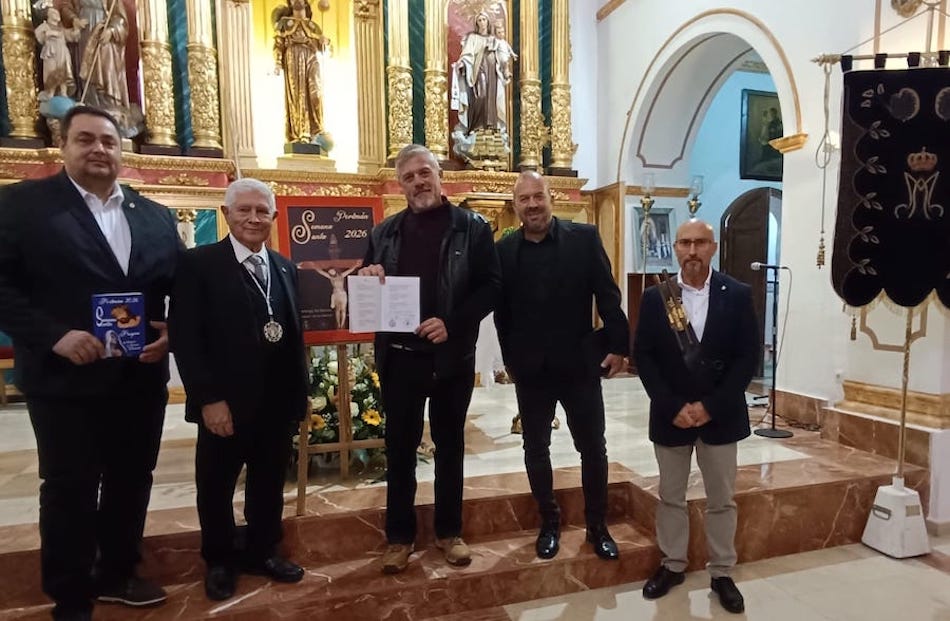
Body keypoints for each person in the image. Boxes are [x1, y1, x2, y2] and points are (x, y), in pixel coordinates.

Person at [0, 105, 181, 621]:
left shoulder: (154, 215)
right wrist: (54, 336)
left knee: (133, 477)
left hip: (138, 375)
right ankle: (71, 593)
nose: (99, 149)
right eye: (85, 139)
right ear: (63, 146)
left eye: (108, 140)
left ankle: (119, 573)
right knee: (69, 486)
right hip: (65, 379)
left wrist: (173, 330)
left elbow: (177, 285)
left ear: (122, 151)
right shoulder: (23, 205)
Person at [359, 144, 500, 574]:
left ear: (439, 176)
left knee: (450, 446)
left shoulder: (472, 228)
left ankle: (449, 532)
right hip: (400, 359)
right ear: (400, 185)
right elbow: (366, 280)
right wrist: (369, 276)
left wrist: (451, 324)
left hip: (449, 358)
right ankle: (399, 538)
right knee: (399, 451)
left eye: (425, 173)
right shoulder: (384, 233)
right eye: (409, 177)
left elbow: (491, 286)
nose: (419, 182)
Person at [169, 178, 310, 601]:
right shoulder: (198, 264)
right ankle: (219, 560)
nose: (253, 218)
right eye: (244, 210)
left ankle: (263, 551)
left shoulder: (284, 267)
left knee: (268, 484)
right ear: (226, 213)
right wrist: (208, 399)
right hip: (224, 405)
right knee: (216, 485)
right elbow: (186, 337)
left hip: (275, 404)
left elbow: (292, 338)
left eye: (261, 210)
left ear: (274, 216)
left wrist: (299, 396)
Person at [494, 171, 629, 562]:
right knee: (536, 448)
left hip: (579, 366)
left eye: (538, 196)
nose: (532, 205)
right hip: (532, 371)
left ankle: (597, 526)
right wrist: (511, 360)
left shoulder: (583, 239)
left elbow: (608, 296)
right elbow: (502, 314)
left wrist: (619, 346)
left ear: (550, 197)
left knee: (593, 448)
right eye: (524, 199)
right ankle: (549, 523)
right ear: (515, 205)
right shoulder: (504, 251)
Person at [633, 219, 759, 615]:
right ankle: (673, 564)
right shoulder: (656, 298)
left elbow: (747, 358)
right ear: (675, 247)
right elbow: (644, 357)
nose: (692, 251)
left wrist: (711, 406)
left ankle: (721, 572)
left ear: (713, 247)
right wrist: (673, 406)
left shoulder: (736, 294)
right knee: (671, 496)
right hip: (671, 416)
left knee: (722, 499)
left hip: (720, 415)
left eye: (700, 243)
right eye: (685, 243)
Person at [273, 0, 328, 145]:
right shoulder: (284, 24)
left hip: (311, 58)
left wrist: (325, 42)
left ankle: (317, 130)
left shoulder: (313, 26)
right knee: (297, 95)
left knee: (315, 94)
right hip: (293, 58)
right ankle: (300, 133)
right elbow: (278, 45)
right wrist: (278, 62)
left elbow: (324, 49)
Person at [454, 13, 513, 136]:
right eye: (479, 20)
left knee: (491, 97)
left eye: (484, 19)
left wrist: (505, 69)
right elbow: (466, 55)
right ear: (476, 23)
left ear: (488, 21)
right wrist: (462, 64)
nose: (482, 22)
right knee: (481, 95)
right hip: (478, 70)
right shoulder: (473, 38)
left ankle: (490, 125)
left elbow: (502, 54)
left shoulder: (494, 38)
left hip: (492, 71)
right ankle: (477, 125)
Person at [35, 7, 82, 98]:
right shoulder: (44, 26)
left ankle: (63, 92)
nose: (57, 14)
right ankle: (50, 92)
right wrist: (50, 33)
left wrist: (76, 30)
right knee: (52, 71)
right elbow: (39, 35)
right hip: (51, 52)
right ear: (48, 15)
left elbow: (71, 36)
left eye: (57, 13)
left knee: (63, 71)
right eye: (54, 13)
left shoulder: (61, 28)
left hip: (62, 52)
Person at [300, 261, 360, 329]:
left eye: (332, 271)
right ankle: (338, 325)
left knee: (343, 310)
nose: (331, 272)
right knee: (337, 310)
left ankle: (342, 325)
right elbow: (321, 272)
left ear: (335, 270)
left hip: (342, 294)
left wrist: (355, 265)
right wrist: (314, 266)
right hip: (336, 294)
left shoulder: (341, 275)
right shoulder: (331, 277)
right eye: (330, 272)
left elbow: (350, 270)